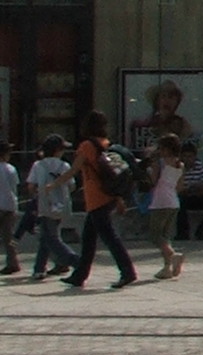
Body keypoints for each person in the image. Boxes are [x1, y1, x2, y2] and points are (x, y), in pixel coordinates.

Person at [65, 111, 137, 290]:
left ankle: (127, 271)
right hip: (109, 195)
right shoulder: (106, 144)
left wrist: (55, 184)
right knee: (89, 237)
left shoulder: (87, 146)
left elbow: (74, 169)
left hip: (96, 197)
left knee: (109, 237)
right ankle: (79, 275)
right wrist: (119, 198)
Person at [28, 136, 75, 281]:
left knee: (50, 237)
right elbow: (72, 185)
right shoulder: (64, 166)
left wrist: (36, 196)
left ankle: (74, 260)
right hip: (62, 205)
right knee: (47, 236)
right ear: (57, 151)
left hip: (45, 204)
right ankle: (43, 267)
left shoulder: (38, 165)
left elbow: (31, 185)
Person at [146, 133, 186, 279]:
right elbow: (180, 185)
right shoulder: (180, 164)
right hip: (173, 201)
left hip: (160, 201)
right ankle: (167, 267)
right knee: (166, 236)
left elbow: (153, 180)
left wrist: (149, 169)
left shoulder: (161, 163)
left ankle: (172, 256)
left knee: (155, 235)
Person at [0, 143, 18, 275]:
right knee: (8, 237)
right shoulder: (11, 168)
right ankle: (13, 262)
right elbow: (14, 187)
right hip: (10, 204)